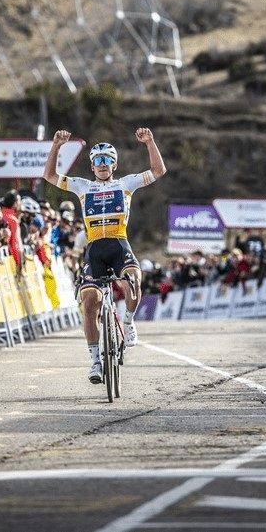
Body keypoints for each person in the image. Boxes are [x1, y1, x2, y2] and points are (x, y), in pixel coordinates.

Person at [43, 127, 166, 384]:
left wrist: (150, 142)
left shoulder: (125, 184)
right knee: (89, 302)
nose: (101, 165)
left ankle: (129, 322)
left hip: (119, 245)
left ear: (114, 164)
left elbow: (158, 171)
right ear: (91, 166)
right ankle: (96, 362)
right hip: (95, 250)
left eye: (106, 160)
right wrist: (55, 146)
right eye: (97, 161)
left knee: (133, 279)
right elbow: (50, 175)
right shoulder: (82, 186)